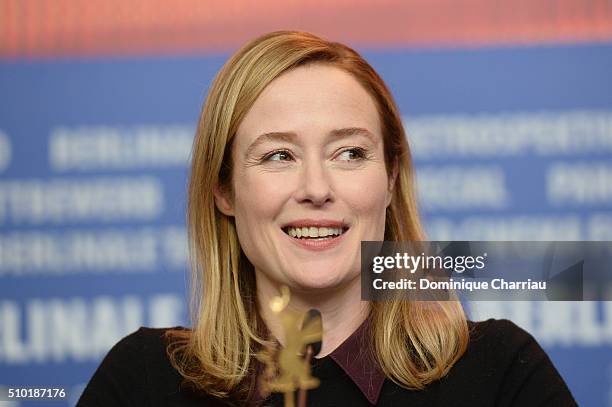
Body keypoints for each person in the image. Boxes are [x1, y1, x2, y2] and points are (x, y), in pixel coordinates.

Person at [77, 31, 577, 406]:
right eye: (278, 156)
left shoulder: (501, 372)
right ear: (224, 189)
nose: (316, 189)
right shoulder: (142, 382)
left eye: (350, 153)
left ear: (389, 178)